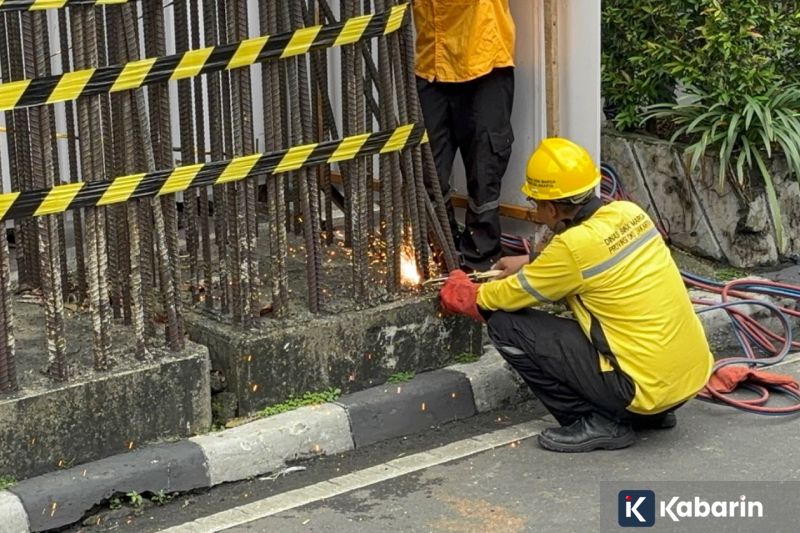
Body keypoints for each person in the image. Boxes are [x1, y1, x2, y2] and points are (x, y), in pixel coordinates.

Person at [439, 138, 714, 453]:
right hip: (686, 378)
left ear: (552, 207)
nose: (536, 213)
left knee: (506, 325)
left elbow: (505, 297)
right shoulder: (628, 213)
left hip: (640, 388)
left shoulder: (572, 247)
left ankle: (600, 421)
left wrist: (466, 292)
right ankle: (654, 414)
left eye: (536, 205)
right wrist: (530, 262)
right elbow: (592, 261)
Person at [413, 0, 516, 271]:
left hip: (484, 61)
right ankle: (443, 252)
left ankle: (481, 260)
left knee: (485, 168)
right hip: (431, 66)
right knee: (427, 169)